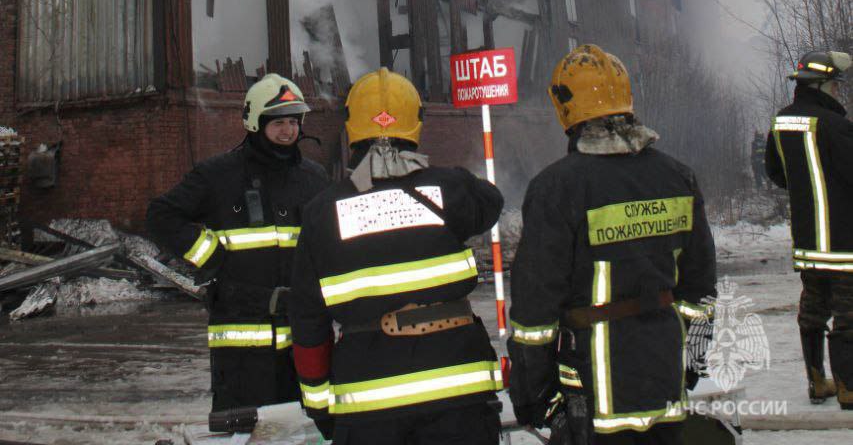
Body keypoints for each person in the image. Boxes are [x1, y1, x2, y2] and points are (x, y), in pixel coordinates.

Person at [508, 44, 716, 443]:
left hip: (592, 391)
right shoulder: (677, 177)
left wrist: (534, 396)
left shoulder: (557, 187)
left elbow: (536, 307)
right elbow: (700, 289)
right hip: (664, 381)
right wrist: (689, 364)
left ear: (565, 106)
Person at [289, 66, 504, 443]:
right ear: (416, 124)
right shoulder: (450, 188)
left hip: (368, 401)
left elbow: (307, 320)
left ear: (352, 126)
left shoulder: (322, 211)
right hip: (459, 394)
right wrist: (430, 176)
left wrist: (320, 405)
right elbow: (491, 202)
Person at [147, 74, 328, 414]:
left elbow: (329, 240)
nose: (288, 131)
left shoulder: (314, 178)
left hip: (301, 339)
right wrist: (209, 254)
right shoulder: (219, 175)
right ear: (255, 122)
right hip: (242, 346)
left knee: (304, 430)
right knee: (243, 432)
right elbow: (161, 216)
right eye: (278, 122)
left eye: (293, 121)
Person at [764, 48, 853, 409]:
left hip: (808, 241)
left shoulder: (781, 123)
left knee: (813, 308)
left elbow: (774, 172)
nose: (839, 92)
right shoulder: (835, 126)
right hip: (844, 239)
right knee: (849, 313)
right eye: (836, 85)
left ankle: (817, 382)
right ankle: (848, 387)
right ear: (824, 85)